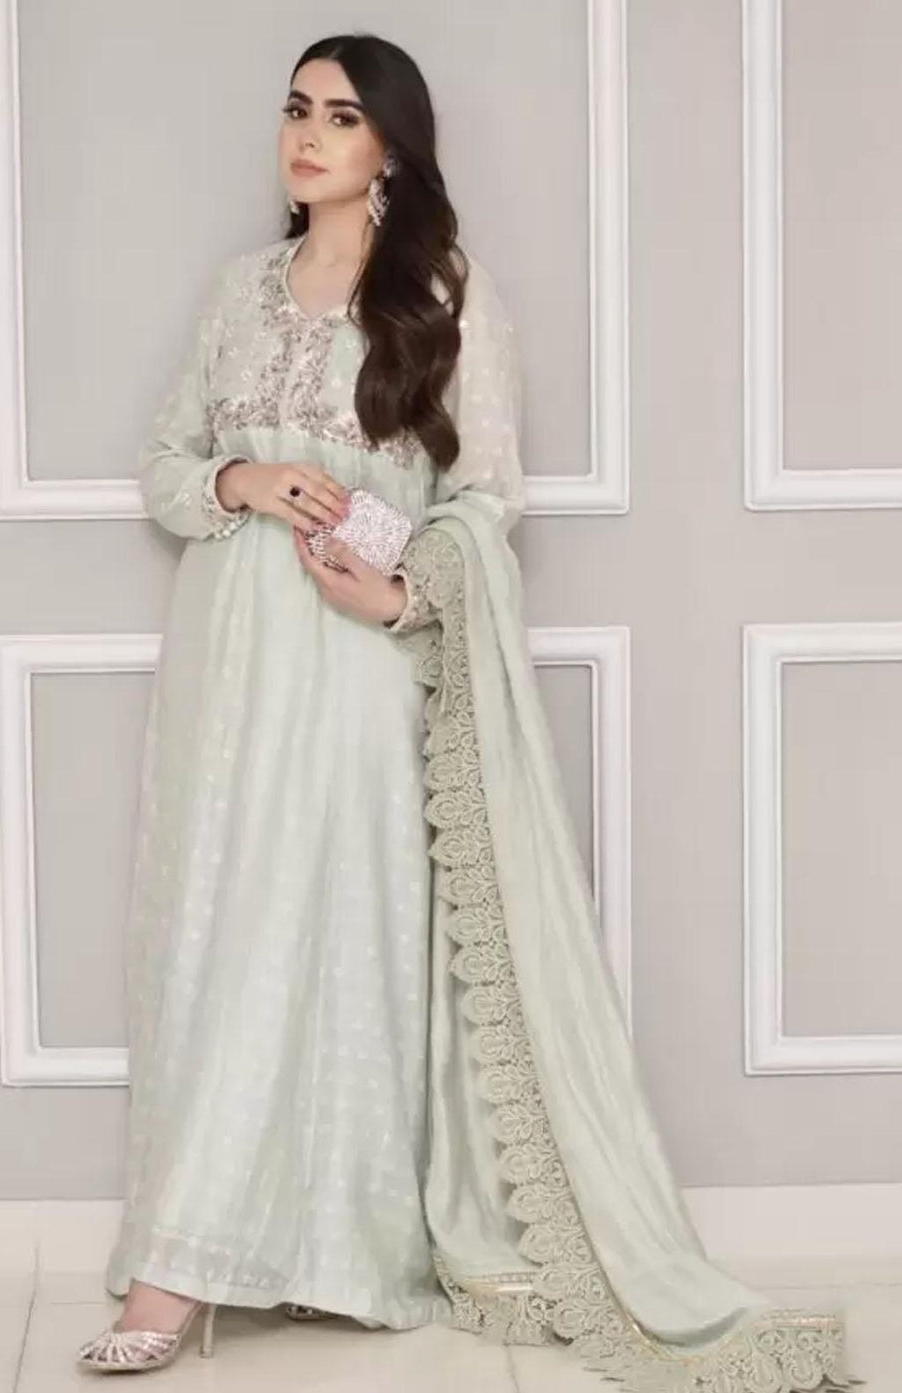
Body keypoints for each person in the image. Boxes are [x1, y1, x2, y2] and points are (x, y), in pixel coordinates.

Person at [75, 32, 864, 1391]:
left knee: (330, 936)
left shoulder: (443, 291)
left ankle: (264, 1261)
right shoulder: (240, 291)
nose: (308, 135)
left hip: (356, 662)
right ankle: (210, 1247)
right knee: (214, 937)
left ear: (392, 145)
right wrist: (241, 481)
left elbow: (485, 498)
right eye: (297, 109)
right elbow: (164, 464)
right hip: (227, 661)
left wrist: (396, 601)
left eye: (342, 117)